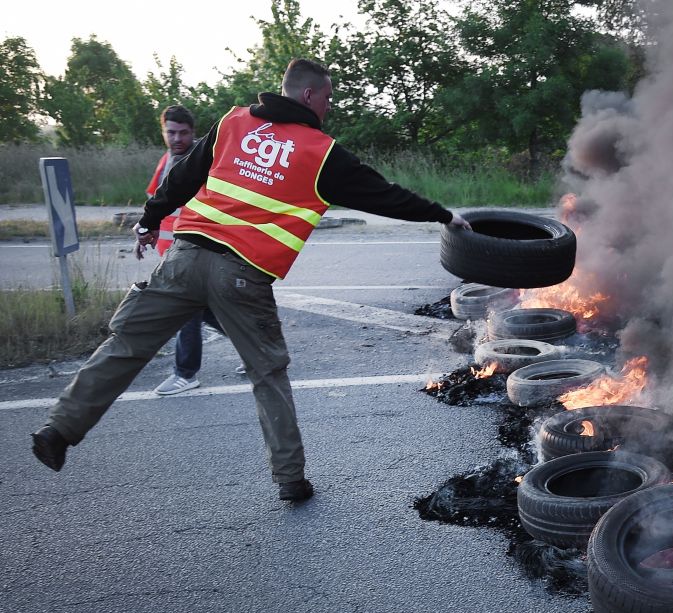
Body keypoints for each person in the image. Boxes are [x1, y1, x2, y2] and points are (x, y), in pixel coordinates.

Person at [29, 58, 473, 502]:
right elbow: (384, 195)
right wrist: (442, 215)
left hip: (183, 259)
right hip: (242, 276)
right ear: (308, 96)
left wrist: (150, 219)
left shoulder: (235, 122)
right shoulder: (321, 152)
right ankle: (290, 481)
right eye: (328, 97)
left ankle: (59, 429)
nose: (330, 105)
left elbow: (182, 176)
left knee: (124, 346)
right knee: (268, 374)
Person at [143, 104, 223, 396]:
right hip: (173, 248)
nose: (177, 138)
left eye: (183, 133)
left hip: (194, 248)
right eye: (170, 132)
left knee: (184, 308)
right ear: (163, 132)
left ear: (193, 132)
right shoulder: (167, 159)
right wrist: (147, 228)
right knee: (206, 309)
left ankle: (185, 373)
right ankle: (256, 345)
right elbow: (156, 199)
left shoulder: (201, 159)